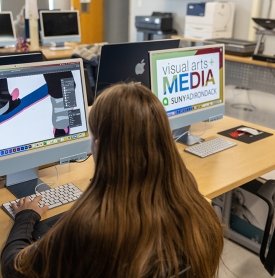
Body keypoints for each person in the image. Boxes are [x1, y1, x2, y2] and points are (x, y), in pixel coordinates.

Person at [1, 83, 223, 278]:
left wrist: (25, 216)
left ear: (99, 145)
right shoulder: (194, 201)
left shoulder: (91, 224)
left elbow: (15, 267)